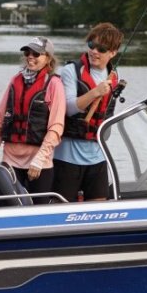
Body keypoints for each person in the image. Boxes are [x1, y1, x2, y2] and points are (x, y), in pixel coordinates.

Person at [0, 36, 66, 204]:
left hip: (39, 165)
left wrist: (39, 159)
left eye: (36, 54)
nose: (30, 57)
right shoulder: (15, 81)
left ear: (48, 58)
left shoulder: (54, 84)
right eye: (27, 53)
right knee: (7, 210)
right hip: (10, 163)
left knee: (38, 213)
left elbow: (56, 128)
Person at [52, 22, 126, 202]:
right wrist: (95, 92)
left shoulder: (113, 76)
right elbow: (69, 108)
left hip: (97, 156)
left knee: (99, 206)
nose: (94, 52)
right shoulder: (70, 71)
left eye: (101, 49)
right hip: (67, 158)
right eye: (91, 45)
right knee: (63, 208)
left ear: (113, 53)